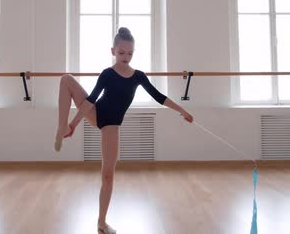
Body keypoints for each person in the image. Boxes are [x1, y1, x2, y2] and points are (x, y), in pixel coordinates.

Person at [54, 27, 193, 234]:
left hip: (112, 125)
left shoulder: (138, 76)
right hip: (95, 112)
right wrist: (72, 125)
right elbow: (90, 100)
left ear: (133, 53)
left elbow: (159, 96)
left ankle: (101, 223)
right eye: (121, 53)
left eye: (129, 53)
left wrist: (182, 111)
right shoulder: (107, 74)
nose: (125, 57)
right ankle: (60, 128)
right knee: (66, 79)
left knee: (108, 175)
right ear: (113, 51)